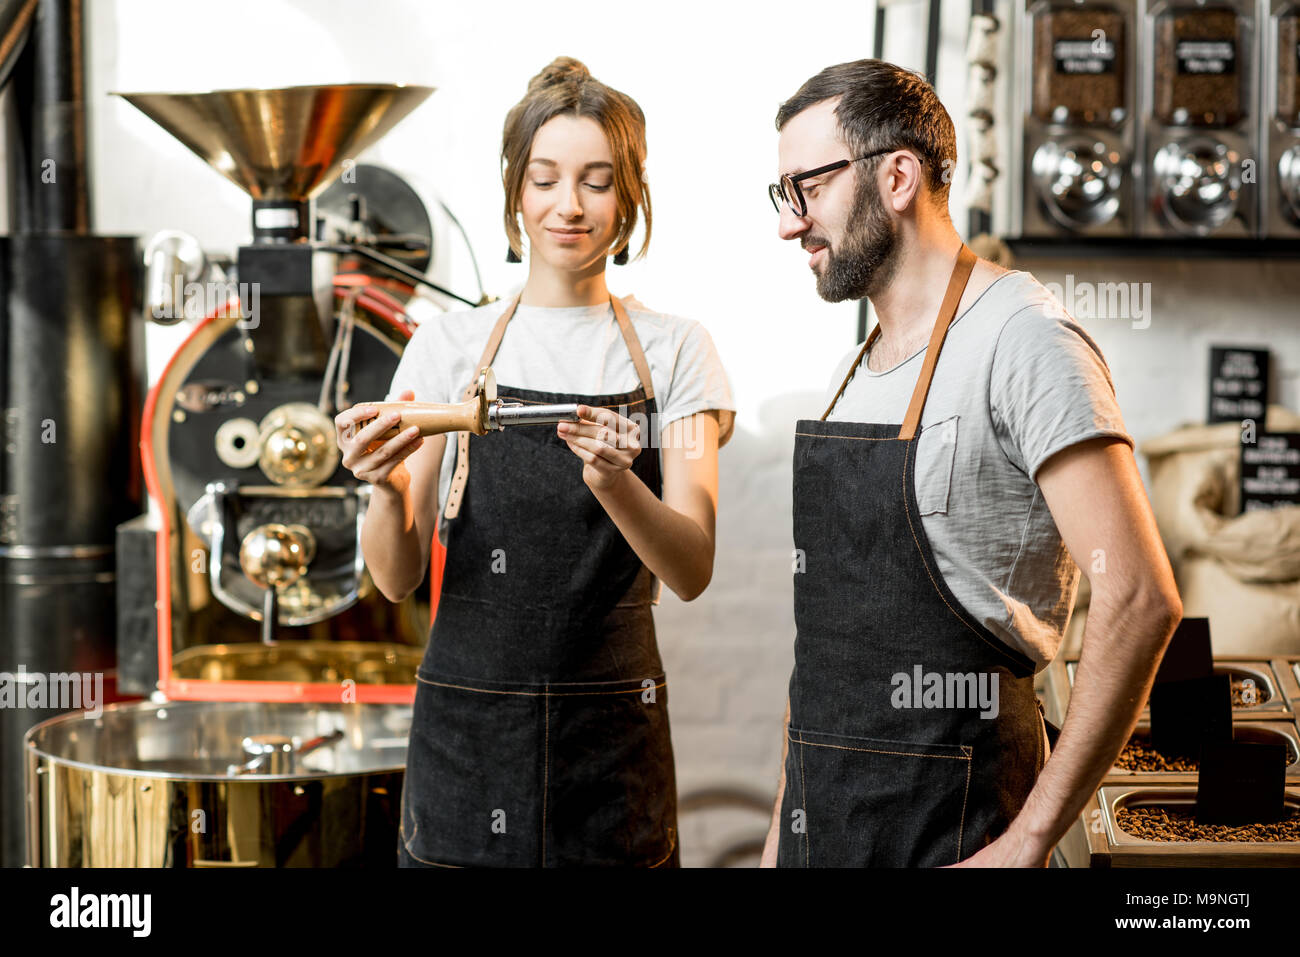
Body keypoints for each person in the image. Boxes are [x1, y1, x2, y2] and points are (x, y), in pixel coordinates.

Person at [760, 59, 1182, 867]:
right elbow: (823, 651)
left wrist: (1026, 842)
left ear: (896, 176)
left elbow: (1140, 595)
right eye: (783, 196)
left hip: (953, 831)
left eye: (805, 189)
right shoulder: (860, 367)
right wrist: (785, 825)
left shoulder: (1022, 338)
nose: (790, 223)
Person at [335, 57, 735, 867]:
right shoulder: (446, 345)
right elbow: (396, 576)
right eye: (545, 178)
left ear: (630, 197)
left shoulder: (677, 352)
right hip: (468, 731)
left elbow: (691, 566)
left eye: (597, 181)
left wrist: (619, 485)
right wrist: (383, 491)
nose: (569, 205)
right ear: (517, 190)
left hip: (611, 741)